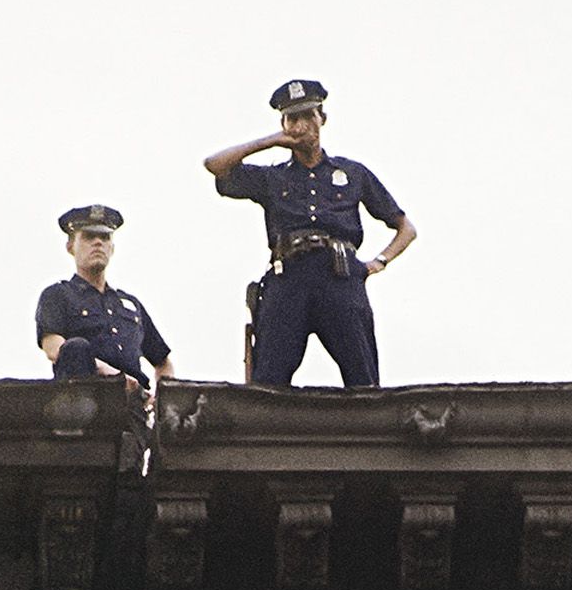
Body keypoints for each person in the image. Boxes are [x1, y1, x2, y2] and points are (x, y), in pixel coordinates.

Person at [204, 80, 416, 388]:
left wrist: (378, 262)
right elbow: (215, 165)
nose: (301, 125)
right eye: (293, 118)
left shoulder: (352, 173)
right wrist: (273, 141)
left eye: (308, 116)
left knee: (363, 380)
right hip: (288, 278)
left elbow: (405, 228)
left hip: (341, 277)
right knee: (268, 383)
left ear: (322, 118)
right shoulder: (272, 177)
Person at [36, 206, 174, 386]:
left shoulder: (130, 304)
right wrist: (115, 377)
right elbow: (54, 349)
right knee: (76, 347)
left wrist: (163, 398)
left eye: (104, 237)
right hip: (86, 400)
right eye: (88, 237)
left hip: (132, 404)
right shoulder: (58, 295)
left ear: (112, 248)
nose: (98, 243)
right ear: (71, 246)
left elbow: (162, 360)